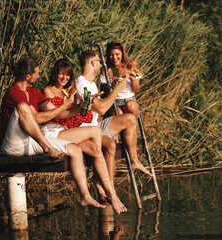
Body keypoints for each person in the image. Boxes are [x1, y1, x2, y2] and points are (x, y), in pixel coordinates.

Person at [0, 57, 104, 209]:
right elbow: (36, 118)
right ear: (27, 76)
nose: (39, 75)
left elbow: (54, 114)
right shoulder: (14, 93)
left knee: (75, 149)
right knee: (24, 107)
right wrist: (63, 106)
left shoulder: (33, 92)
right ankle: (48, 148)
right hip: (13, 143)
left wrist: (81, 106)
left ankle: (85, 196)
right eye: (36, 73)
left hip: (32, 141)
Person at [41, 58, 127, 214]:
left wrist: (86, 105)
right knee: (95, 131)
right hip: (53, 132)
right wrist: (76, 107)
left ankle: (109, 190)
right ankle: (106, 188)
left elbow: (81, 118)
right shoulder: (48, 90)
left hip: (68, 132)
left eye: (67, 75)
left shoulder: (70, 91)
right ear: (55, 73)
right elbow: (58, 115)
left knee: (95, 149)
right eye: (61, 74)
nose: (64, 78)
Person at [75, 50, 153, 192]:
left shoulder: (91, 84)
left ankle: (131, 165)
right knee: (110, 144)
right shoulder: (82, 85)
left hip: (95, 127)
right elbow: (101, 110)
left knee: (129, 120)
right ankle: (106, 187)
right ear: (93, 63)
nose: (102, 65)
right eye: (99, 62)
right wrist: (116, 90)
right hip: (84, 131)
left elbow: (99, 108)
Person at [103, 41, 141, 118]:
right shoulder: (107, 69)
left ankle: (131, 127)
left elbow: (136, 90)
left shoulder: (131, 65)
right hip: (113, 101)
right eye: (111, 55)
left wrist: (133, 79)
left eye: (117, 54)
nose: (114, 58)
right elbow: (104, 94)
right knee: (118, 113)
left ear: (122, 54)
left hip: (129, 100)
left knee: (131, 106)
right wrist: (114, 84)